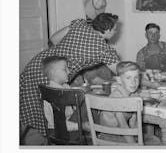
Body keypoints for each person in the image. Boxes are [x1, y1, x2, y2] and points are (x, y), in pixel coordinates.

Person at [20, 13, 120, 145]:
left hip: (40, 63)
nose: (116, 31)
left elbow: (54, 39)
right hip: (53, 74)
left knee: (28, 108)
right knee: (50, 114)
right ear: (107, 30)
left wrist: (67, 51)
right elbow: (121, 70)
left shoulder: (80, 25)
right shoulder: (103, 49)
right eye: (115, 29)